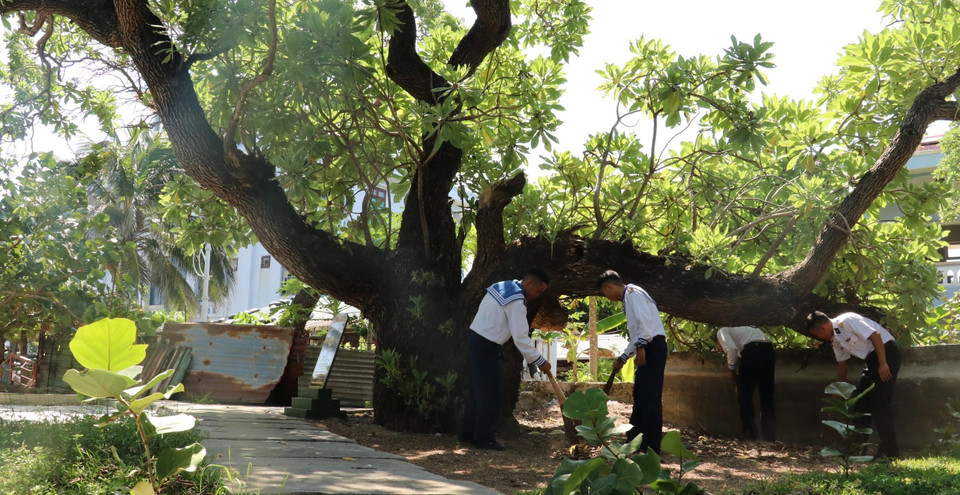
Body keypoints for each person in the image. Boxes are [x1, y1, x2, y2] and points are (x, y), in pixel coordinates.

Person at [459, 268, 552, 450]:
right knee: (489, 393)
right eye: (538, 291)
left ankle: (467, 433)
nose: (537, 295)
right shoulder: (516, 301)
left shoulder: (501, 286)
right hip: (486, 346)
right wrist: (540, 361)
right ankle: (483, 438)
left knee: (476, 390)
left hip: (475, 339)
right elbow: (520, 338)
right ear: (528, 283)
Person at [806, 311, 901, 459]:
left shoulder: (848, 320)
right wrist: (840, 388)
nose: (818, 338)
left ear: (823, 328)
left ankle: (890, 452)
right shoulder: (835, 340)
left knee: (880, 404)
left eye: (817, 334)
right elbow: (842, 363)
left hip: (886, 353)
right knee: (861, 404)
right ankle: (856, 449)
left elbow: (875, 335)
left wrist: (883, 363)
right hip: (871, 360)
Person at [599, 270, 667, 454]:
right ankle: (635, 439)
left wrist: (642, 346)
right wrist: (623, 357)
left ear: (609, 287)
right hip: (648, 345)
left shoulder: (632, 294)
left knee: (650, 398)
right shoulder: (630, 297)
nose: (609, 298)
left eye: (606, 294)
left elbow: (644, 327)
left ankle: (652, 446)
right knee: (640, 395)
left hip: (652, 346)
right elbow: (637, 334)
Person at [715, 326, 776, 441]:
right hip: (768, 350)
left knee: (744, 396)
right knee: (767, 396)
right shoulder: (744, 333)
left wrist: (732, 372)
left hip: (752, 350)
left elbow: (731, 349)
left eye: (719, 347)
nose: (720, 350)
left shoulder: (722, 331)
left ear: (718, 340)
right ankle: (769, 436)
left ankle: (749, 434)